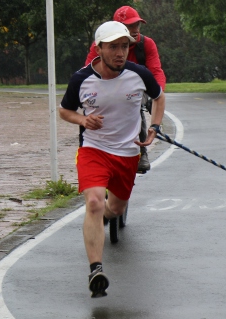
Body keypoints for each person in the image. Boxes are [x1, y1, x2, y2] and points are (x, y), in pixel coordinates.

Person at [59, 21, 166, 298]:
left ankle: (105, 217)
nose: (120, 53)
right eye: (114, 47)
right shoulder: (81, 79)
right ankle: (96, 270)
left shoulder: (138, 74)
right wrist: (83, 119)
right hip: (93, 150)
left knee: (115, 208)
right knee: (94, 201)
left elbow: (159, 97)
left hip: (127, 154)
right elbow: (64, 111)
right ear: (100, 49)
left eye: (124, 46)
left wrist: (154, 127)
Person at [85, 5, 166, 173]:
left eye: (137, 25)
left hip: (137, 87)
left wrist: (155, 95)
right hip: (106, 86)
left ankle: (142, 152)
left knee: (135, 101)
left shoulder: (146, 44)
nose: (135, 29)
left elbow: (156, 71)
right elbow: (88, 71)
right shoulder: (100, 45)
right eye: (130, 26)